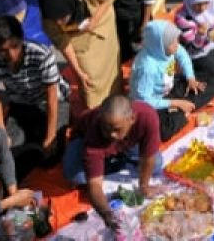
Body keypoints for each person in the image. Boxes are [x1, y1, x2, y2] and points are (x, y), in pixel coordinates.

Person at [62, 97, 162, 229]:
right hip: (84, 138)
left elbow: (148, 156)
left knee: (156, 165)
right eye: (106, 129)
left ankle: (112, 160)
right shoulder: (95, 132)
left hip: (127, 142)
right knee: (76, 176)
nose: (111, 135)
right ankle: (108, 161)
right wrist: (106, 213)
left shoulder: (148, 116)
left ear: (132, 119)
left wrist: (144, 185)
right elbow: (95, 184)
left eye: (116, 129)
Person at [130, 20, 214, 140]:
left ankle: (183, 108)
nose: (177, 44)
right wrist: (176, 103)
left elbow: (183, 56)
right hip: (154, 102)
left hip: (170, 88)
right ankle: (182, 109)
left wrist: (190, 78)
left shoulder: (168, 48)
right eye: (172, 42)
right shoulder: (147, 68)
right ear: (159, 45)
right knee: (163, 130)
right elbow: (144, 101)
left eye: (177, 40)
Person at [38, 0, 120, 112]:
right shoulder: (48, 21)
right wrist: (79, 72)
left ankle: (115, 97)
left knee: (110, 67)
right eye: (55, 20)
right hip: (76, 39)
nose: (59, 23)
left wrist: (94, 20)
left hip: (101, 25)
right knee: (89, 80)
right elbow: (65, 45)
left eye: (63, 17)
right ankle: (96, 111)